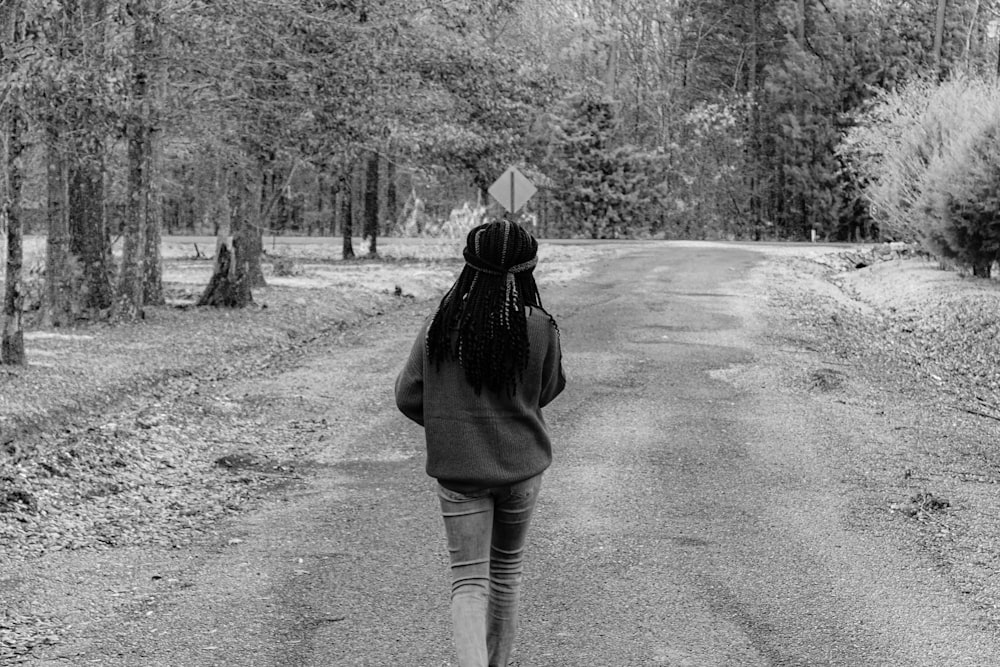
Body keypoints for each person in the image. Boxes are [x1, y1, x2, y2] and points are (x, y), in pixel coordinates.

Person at [395, 219, 566, 667]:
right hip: (522, 469)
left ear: (470, 267)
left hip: (461, 472)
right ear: (528, 269)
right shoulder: (540, 326)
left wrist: (450, 424)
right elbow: (547, 390)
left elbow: (409, 393)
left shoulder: (443, 322)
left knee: (469, 583)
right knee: (506, 575)